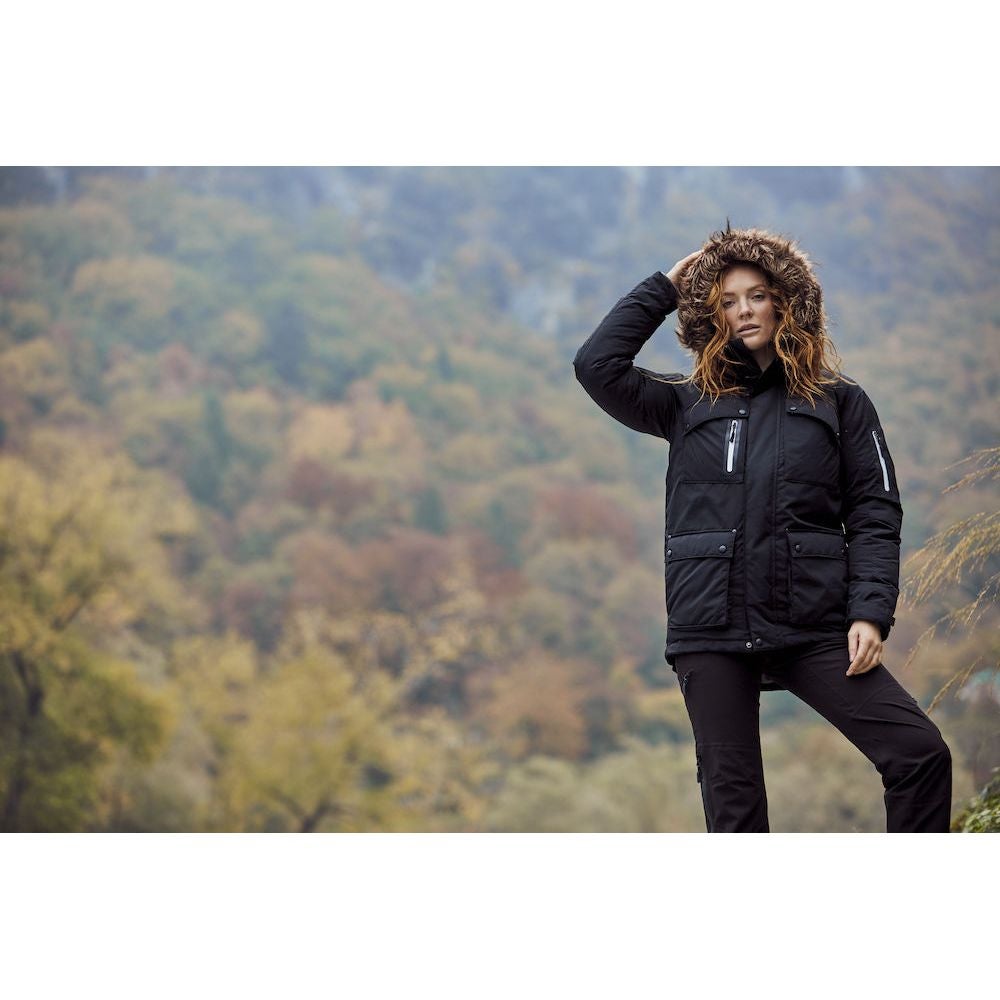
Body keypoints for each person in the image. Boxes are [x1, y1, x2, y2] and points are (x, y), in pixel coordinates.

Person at [572, 224, 953, 832]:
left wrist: (869, 612)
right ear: (711, 313)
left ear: (785, 300)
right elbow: (595, 365)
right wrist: (665, 288)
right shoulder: (684, 401)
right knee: (736, 811)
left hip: (811, 625)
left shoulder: (840, 401)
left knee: (920, 754)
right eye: (726, 301)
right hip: (711, 628)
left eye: (756, 295)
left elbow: (875, 512)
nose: (744, 310)